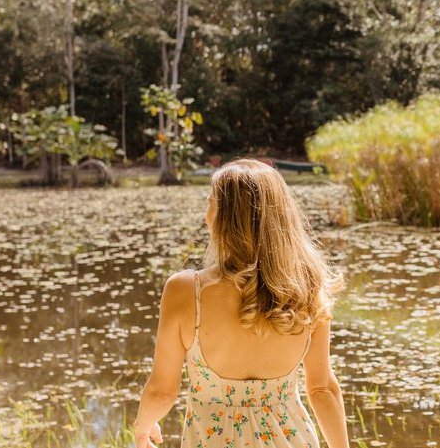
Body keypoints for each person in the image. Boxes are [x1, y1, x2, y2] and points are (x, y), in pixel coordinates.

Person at [133, 159, 348, 448]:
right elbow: (322, 389)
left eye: (210, 202)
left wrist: (143, 426)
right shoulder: (306, 289)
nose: (205, 213)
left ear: (223, 216)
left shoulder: (185, 291)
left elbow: (162, 392)